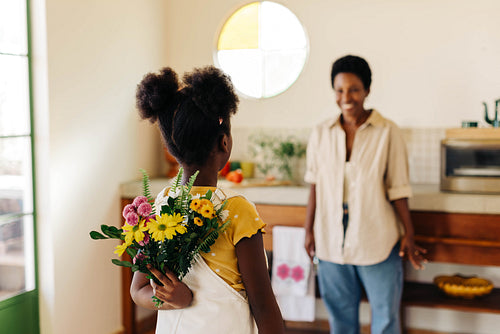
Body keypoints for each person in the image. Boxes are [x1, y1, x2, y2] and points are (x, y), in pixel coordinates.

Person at [130, 66, 285, 334]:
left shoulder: (162, 205)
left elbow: (138, 290)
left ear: (171, 149)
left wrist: (172, 299)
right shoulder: (236, 210)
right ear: (224, 143)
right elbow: (264, 307)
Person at [303, 55, 427, 334]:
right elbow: (314, 184)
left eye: (354, 89)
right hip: (331, 242)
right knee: (340, 320)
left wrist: (409, 233)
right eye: (339, 90)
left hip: (377, 240)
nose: (346, 97)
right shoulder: (321, 132)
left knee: (385, 319)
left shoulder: (387, 132)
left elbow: (399, 189)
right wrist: (309, 229)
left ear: (367, 90)